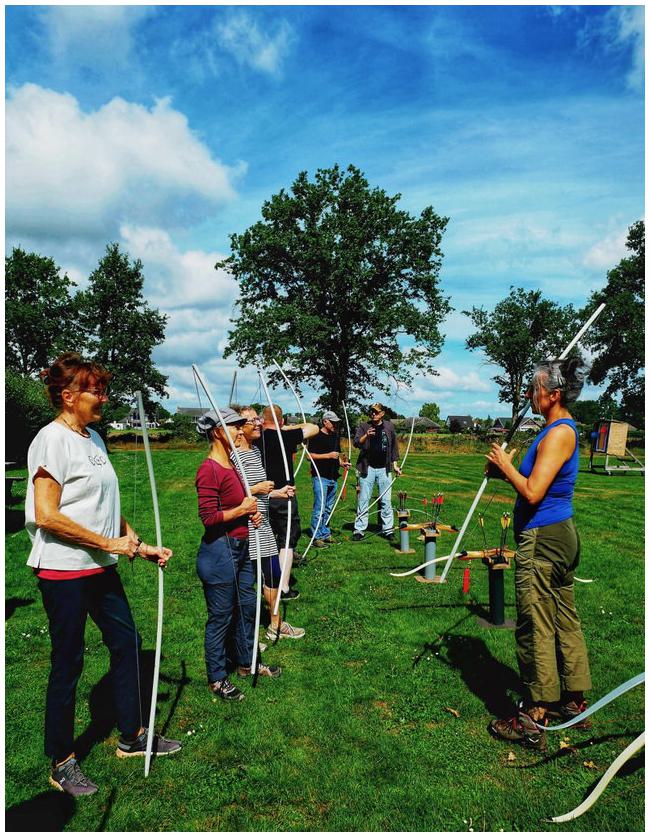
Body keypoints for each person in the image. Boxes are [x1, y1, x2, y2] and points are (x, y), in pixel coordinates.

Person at [25, 352, 181, 799]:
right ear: (69, 396)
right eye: (96, 390)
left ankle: (131, 735)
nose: (103, 397)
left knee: (128, 643)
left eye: (103, 389)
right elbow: (46, 514)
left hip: (100, 566)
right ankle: (62, 760)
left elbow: (105, 506)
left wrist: (138, 543)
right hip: (64, 569)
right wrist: (107, 543)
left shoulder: (94, 438)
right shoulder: (51, 439)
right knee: (69, 662)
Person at [485, 358, 592, 751]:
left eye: (534, 388)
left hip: (544, 538)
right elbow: (531, 482)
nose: (530, 394)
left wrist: (506, 465)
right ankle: (573, 700)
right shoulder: (553, 430)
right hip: (556, 534)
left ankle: (535, 713)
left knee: (536, 622)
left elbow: (532, 491)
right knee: (564, 616)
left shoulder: (559, 433)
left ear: (554, 394)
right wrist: (502, 472)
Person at [195, 407, 282, 702]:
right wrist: (242, 511)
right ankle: (217, 678)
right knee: (221, 616)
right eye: (232, 427)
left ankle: (247, 663)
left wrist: (251, 514)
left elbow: (241, 502)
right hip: (219, 553)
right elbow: (208, 517)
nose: (238, 431)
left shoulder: (232, 466)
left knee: (247, 607)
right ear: (217, 432)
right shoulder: (209, 469)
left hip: (242, 547)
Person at [234, 407, 306, 641]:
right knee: (246, 584)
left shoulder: (255, 451)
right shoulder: (233, 455)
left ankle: (276, 624)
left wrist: (277, 492)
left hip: (261, 523)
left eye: (258, 418)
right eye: (251, 420)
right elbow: (230, 491)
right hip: (245, 526)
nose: (257, 423)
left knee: (273, 574)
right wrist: (255, 490)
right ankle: (245, 638)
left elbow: (261, 488)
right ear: (238, 426)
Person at [256, 405, 319, 599]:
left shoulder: (256, 437)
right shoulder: (286, 437)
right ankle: (282, 587)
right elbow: (313, 427)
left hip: (261, 495)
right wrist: (287, 428)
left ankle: (264, 579)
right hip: (284, 495)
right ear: (281, 421)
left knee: (264, 538)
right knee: (287, 540)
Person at [352, 403, 401, 541]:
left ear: (382, 413)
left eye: (376, 412)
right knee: (363, 500)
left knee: (386, 501)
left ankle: (388, 530)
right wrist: (366, 436)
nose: (373, 414)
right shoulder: (364, 426)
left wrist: (395, 465)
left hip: (384, 469)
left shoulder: (389, 427)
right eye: (372, 412)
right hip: (367, 469)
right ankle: (359, 530)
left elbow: (394, 448)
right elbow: (356, 443)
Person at [306, 410, 348, 548]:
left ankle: (325, 533)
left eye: (336, 422)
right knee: (319, 508)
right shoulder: (316, 436)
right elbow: (308, 456)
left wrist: (342, 463)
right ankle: (316, 536)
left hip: (333, 477)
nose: (335, 424)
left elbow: (336, 456)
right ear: (325, 421)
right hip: (320, 477)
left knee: (328, 508)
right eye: (333, 422)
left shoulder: (335, 436)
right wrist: (328, 456)